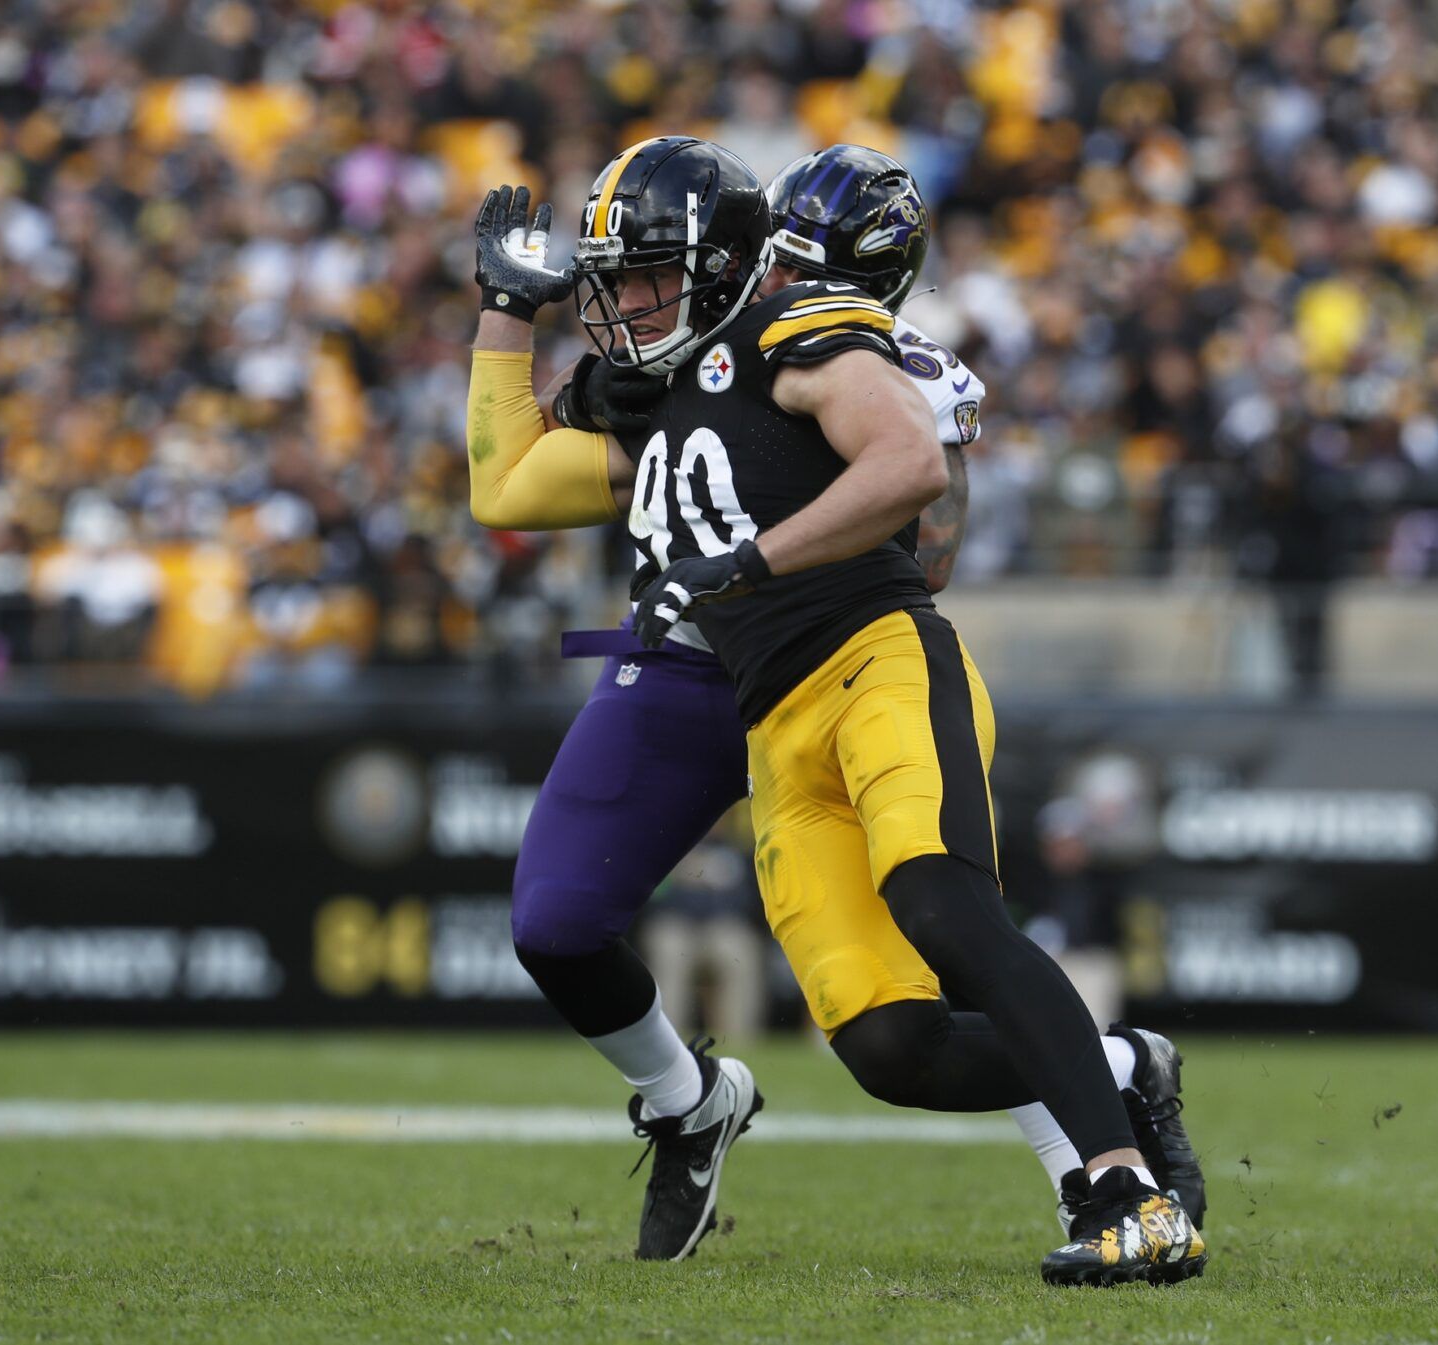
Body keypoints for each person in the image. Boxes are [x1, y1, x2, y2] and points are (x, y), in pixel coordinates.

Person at [465, 137, 1204, 1286]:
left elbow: (910, 464)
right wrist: (507, 316)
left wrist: (745, 561)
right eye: (610, 283)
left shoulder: (789, 330)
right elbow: (503, 483)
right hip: (769, 719)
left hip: (870, 661)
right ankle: (1116, 1069)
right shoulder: (660, 395)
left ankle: (1120, 1189)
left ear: (718, 269)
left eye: (646, 277)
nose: (617, 306)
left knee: (945, 908)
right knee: (887, 1044)